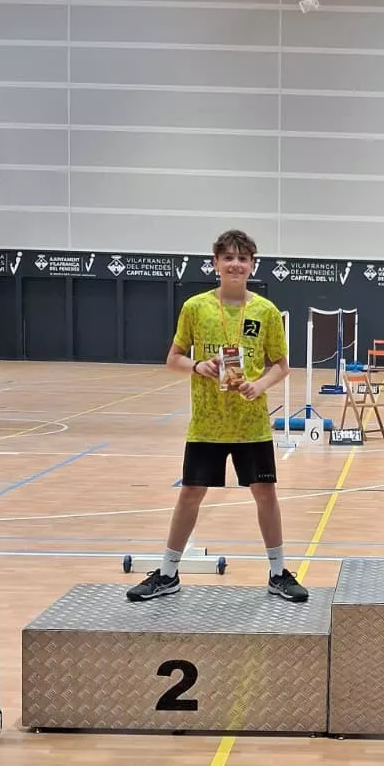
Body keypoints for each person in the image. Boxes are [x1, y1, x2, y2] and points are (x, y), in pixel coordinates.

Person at [126, 229, 308, 605]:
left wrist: (258, 386)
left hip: (251, 425)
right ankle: (168, 573)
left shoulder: (266, 311)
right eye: (228, 258)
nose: (235, 264)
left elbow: (282, 366)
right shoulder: (196, 308)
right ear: (215, 264)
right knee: (191, 494)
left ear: (252, 265)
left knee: (265, 494)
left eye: (243, 258)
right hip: (207, 424)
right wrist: (197, 366)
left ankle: (278, 573)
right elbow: (172, 359)